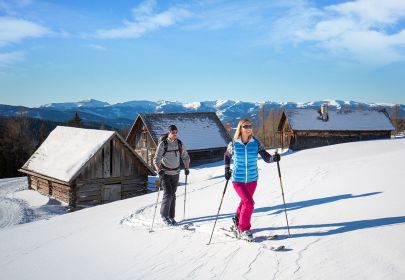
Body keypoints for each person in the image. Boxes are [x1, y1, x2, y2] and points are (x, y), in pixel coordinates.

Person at [224, 118, 280, 240]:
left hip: (252, 179)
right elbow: (227, 156)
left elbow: (266, 157)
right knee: (249, 202)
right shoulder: (233, 143)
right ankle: (243, 228)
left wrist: (274, 159)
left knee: (245, 202)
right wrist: (226, 170)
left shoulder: (256, 143)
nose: (248, 128)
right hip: (238, 179)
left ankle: (237, 220)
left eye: (250, 126)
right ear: (240, 128)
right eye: (245, 126)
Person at [153, 124, 190, 226]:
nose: (175, 134)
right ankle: (164, 216)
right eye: (173, 132)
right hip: (164, 173)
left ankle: (171, 217)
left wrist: (186, 168)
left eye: (176, 132)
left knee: (173, 195)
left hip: (176, 173)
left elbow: (185, 157)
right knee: (168, 194)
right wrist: (158, 170)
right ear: (169, 132)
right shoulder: (163, 144)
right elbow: (156, 159)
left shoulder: (179, 144)